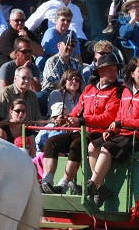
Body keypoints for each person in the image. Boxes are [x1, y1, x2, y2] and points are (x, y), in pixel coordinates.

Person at [85, 56, 139, 205]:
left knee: (107, 148)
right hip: (124, 134)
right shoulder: (127, 91)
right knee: (93, 146)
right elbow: (120, 115)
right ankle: (101, 188)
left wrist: (121, 124)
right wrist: (112, 131)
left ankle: (92, 184)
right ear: (132, 73)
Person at [41, 54, 121, 194]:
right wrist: (66, 119)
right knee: (51, 142)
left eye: (115, 70)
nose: (114, 73)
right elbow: (78, 109)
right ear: (100, 71)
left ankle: (63, 185)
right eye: (110, 70)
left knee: (77, 144)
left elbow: (109, 118)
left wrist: (82, 121)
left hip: (101, 133)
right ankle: (46, 181)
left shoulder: (117, 91)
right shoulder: (89, 89)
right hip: (84, 130)